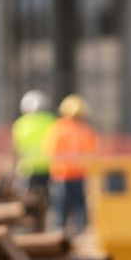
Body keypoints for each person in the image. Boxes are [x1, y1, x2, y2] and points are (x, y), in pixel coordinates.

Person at [41, 93, 99, 236]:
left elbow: (91, 152)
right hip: (63, 175)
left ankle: (79, 232)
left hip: (78, 174)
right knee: (61, 207)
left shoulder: (82, 130)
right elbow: (50, 150)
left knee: (79, 208)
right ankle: (59, 232)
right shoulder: (59, 129)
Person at [12, 89, 56, 229]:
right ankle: (45, 226)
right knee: (48, 200)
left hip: (28, 168)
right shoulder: (51, 121)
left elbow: (16, 148)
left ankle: (28, 226)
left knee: (28, 200)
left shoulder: (20, 124)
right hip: (48, 167)